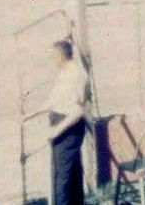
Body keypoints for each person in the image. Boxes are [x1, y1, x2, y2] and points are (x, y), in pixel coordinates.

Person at [48, 38, 90, 205]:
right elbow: (55, 101)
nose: (52, 61)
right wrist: (30, 114)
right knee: (72, 173)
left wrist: (56, 130)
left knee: (63, 178)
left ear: (61, 56)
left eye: (53, 57)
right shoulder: (65, 72)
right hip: (62, 124)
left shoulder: (76, 75)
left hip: (68, 128)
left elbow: (78, 111)